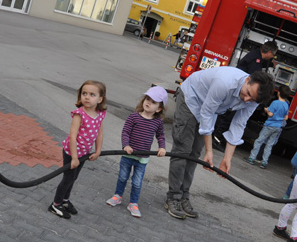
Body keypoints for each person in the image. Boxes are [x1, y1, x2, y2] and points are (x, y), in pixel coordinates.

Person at [166, 67, 274, 219]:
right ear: (248, 79)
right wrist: (209, 151)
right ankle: (173, 197)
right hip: (192, 99)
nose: (246, 100)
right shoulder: (224, 82)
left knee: (195, 153)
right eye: (248, 94)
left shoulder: (255, 98)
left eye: (252, 99)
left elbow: (238, 124)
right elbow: (207, 113)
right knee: (183, 149)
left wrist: (227, 158)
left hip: (209, 108)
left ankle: (183, 194)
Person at [49, 80, 107, 219]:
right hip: (72, 152)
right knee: (68, 179)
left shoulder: (100, 114)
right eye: (84, 93)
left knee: (74, 177)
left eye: (92, 94)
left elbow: (99, 133)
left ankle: (65, 200)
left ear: (100, 99)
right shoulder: (79, 114)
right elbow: (73, 137)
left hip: (84, 153)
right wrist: (74, 158)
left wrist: (98, 151)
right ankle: (55, 204)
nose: (87, 97)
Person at [106, 86, 167, 218]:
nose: (148, 102)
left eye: (153, 102)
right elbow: (125, 132)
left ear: (159, 108)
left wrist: (162, 147)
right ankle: (118, 195)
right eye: (148, 98)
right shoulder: (133, 117)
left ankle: (133, 203)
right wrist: (126, 145)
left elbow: (161, 136)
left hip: (142, 158)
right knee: (122, 176)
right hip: (128, 154)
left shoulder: (157, 122)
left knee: (137, 182)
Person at [244, 85, 291, 169]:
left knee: (259, 141)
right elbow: (286, 117)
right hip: (278, 127)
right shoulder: (286, 105)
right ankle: (264, 162)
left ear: (278, 93)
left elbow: (270, 114)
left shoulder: (275, 103)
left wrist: (266, 110)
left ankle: (252, 158)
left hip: (269, 125)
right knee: (269, 145)